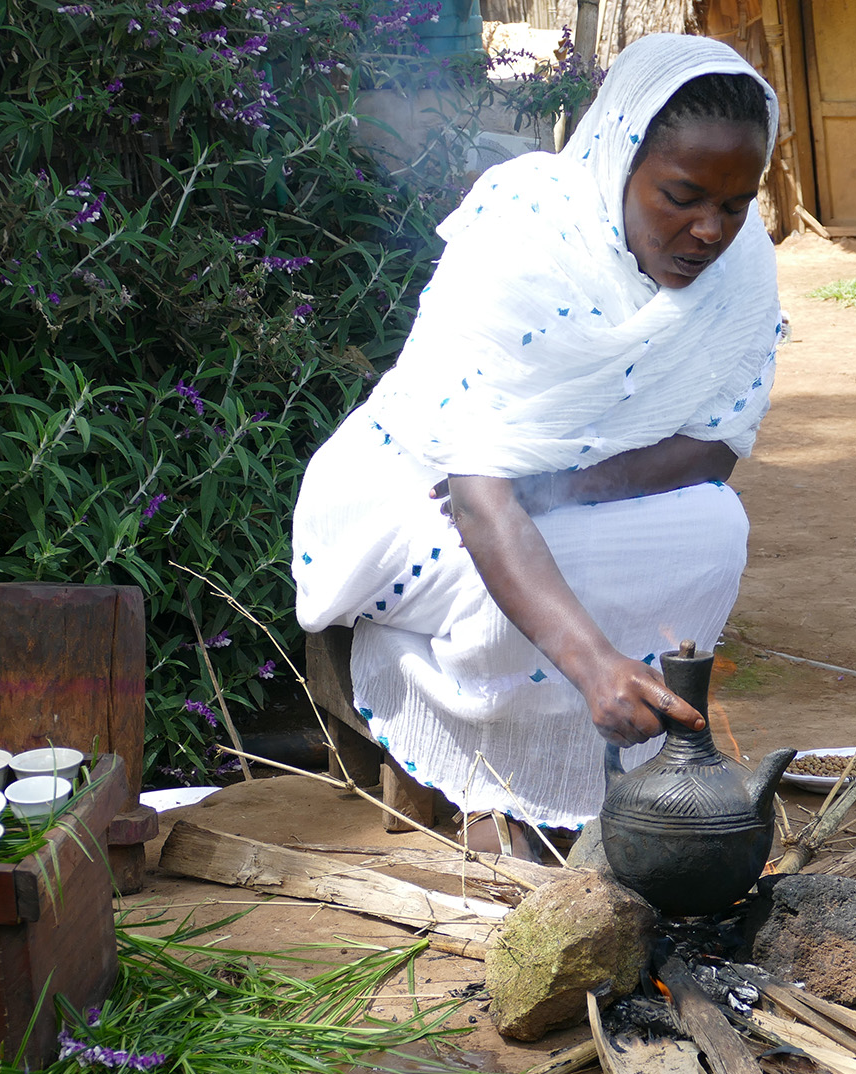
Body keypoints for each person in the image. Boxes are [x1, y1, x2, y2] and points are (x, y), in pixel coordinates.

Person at [292, 33, 783, 856]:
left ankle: (605, 780)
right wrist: (593, 665)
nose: (710, 230)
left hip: (559, 494)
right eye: (682, 196)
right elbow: (481, 497)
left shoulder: (741, 269)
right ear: (618, 157)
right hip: (412, 503)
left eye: (734, 205)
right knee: (529, 554)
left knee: (712, 528)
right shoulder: (523, 231)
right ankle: (499, 786)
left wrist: (572, 479)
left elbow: (715, 448)